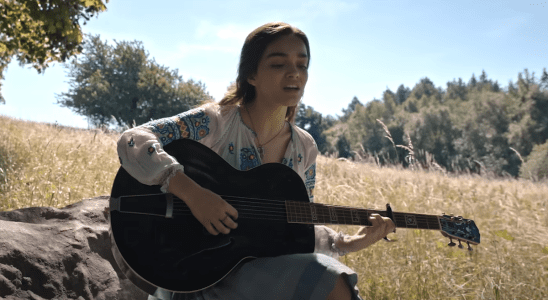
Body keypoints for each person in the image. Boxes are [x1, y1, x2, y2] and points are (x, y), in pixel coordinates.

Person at [117, 21, 395, 300]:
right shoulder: (216, 122)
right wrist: (193, 194)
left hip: (261, 273)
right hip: (194, 275)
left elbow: (296, 225)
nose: (294, 73)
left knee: (324, 275)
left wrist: (347, 242)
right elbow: (133, 139)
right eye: (278, 64)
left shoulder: (304, 147)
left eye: (302, 65)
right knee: (328, 277)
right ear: (251, 74)